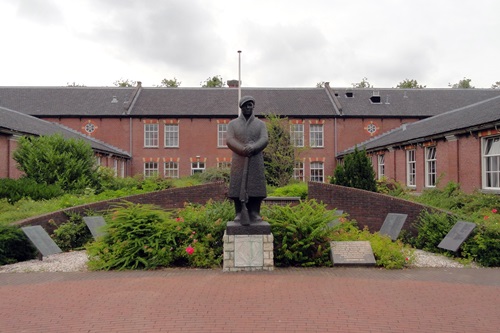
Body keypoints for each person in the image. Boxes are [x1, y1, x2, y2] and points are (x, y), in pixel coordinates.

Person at [227, 96, 268, 225]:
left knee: (256, 186)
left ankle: (255, 213)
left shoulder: (260, 124)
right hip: (239, 160)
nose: (248, 107)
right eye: (245, 105)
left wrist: (253, 147)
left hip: (255, 159)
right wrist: (242, 149)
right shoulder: (232, 124)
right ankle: (239, 212)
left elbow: (264, 139)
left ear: (253, 107)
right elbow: (230, 140)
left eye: (250, 105)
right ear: (241, 107)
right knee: (237, 185)